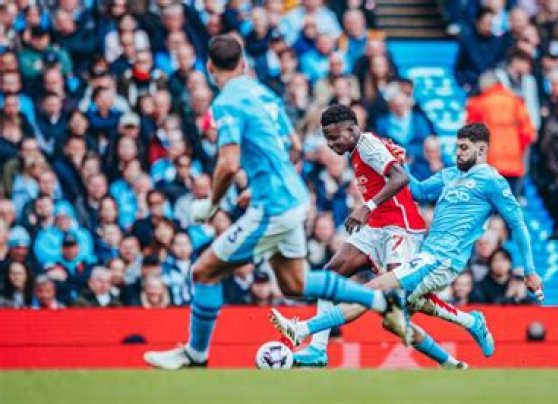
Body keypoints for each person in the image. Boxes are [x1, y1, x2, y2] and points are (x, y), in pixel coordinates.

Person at [143, 35, 407, 370]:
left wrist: (212, 203)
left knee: (204, 272)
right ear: (243, 63)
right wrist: (263, 183)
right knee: (295, 284)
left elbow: (228, 163)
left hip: (272, 206)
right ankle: (379, 300)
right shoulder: (264, 94)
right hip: (293, 198)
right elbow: (293, 147)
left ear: (209, 67)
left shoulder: (226, 103)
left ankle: (195, 354)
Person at [271, 123, 544, 357]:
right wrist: (398, 162)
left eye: (464, 148)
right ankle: (464, 338)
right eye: (457, 147)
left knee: (372, 291)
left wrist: (530, 271)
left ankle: (302, 329)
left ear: (481, 150)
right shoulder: (451, 174)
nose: (458, 153)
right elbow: (418, 192)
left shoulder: (492, 180)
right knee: (394, 320)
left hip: (444, 259)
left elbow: (518, 224)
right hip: (424, 254)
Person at [293, 105, 469, 369]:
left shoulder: (367, 145)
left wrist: (367, 207)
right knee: (331, 274)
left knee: (398, 309)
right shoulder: (359, 148)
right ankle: (318, 349)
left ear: (351, 129)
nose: (330, 144)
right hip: (378, 228)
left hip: (401, 229)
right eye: (327, 139)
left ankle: (461, 337)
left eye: (334, 137)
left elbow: (400, 177)